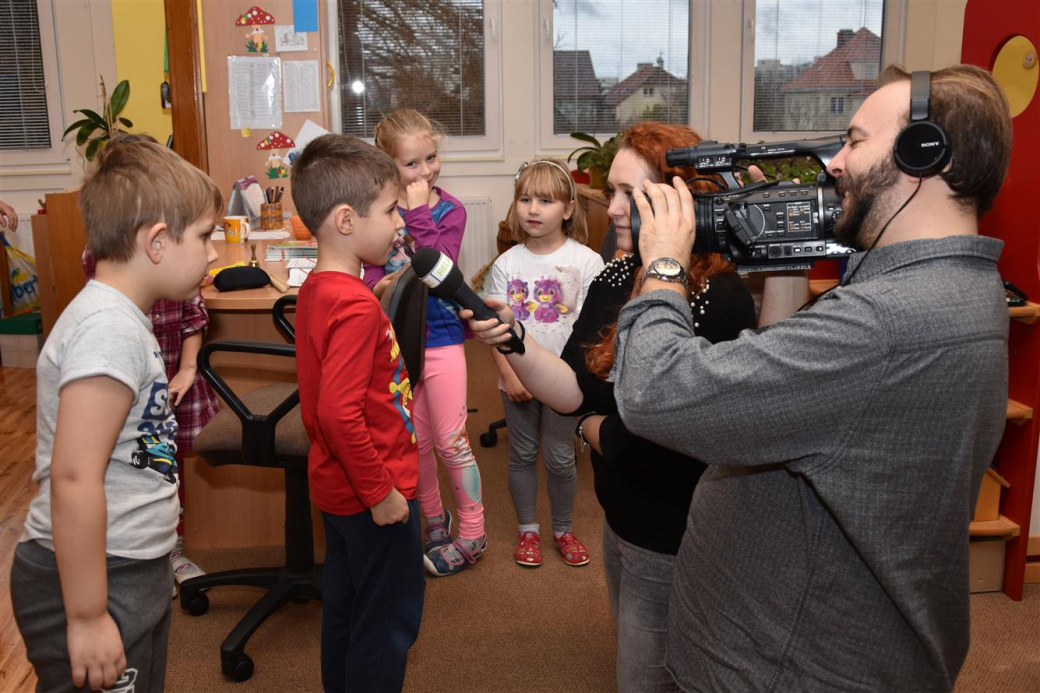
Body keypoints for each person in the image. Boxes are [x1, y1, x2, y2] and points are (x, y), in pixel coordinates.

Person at [610, 65, 1012, 690]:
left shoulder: (885, 321)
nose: (835, 164)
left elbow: (656, 391)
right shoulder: (957, 284)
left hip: (784, 664)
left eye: (854, 140)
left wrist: (663, 262)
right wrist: (781, 244)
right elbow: (803, 385)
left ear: (923, 152)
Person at [466, 124, 756, 691]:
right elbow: (575, 388)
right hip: (620, 516)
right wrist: (514, 340)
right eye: (612, 191)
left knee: (650, 675)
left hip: (672, 529)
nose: (613, 207)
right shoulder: (618, 274)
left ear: (678, 200)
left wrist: (601, 434)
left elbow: (671, 432)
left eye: (629, 193)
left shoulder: (720, 297)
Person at [10, 135, 221, 692]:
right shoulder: (106, 329)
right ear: (156, 243)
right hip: (93, 574)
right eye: (204, 236)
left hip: (132, 561)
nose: (214, 252)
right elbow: (74, 478)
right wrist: (85, 616)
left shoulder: (126, 320)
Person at [291, 134, 424, 693]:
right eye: (391, 209)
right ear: (346, 220)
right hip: (376, 493)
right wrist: (381, 493)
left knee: (346, 611)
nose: (401, 221)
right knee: (387, 622)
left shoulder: (322, 290)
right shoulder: (354, 308)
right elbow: (340, 415)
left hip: (336, 489)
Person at [363, 109, 487, 577]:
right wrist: (379, 282)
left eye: (430, 158)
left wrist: (415, 213)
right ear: (389, 166)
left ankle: (473, 532)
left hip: (442, 338)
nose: (425, 171)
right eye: (411, 164)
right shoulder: (380, 211)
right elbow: (376, 271)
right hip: (398, 344)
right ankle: (435, 519)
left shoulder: (448, 210)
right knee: (415, 441)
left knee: (451, 441)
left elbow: (440, 268)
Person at [484, 159, 605, 568]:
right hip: (516, 381)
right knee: (521, 455)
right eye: (525, 199)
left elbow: (594, 332)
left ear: (568, 209)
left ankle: (563, 529)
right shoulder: (506, 265)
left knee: (559, 457)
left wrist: (578, 381)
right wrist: (507, 374)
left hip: (564, 385)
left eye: (546, 201)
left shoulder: (588, 263)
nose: (533, 209)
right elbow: (494, 330)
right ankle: (528, 530)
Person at [81, 245, 220, 592]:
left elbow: (192, 319)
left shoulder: (182, 254)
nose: (211, 252)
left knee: (166, 466)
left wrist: (187, 371)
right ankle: (137, 556)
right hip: (128, 380)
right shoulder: (105, 252)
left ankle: (171, 549)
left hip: (171, 380)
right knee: (127, 466)